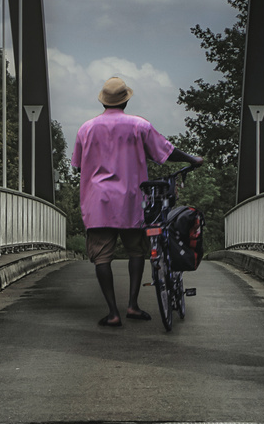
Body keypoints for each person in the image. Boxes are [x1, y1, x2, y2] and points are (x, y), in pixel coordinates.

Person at [71, 76, 202, 327]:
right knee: (136, 251)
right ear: (126, 100)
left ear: (103, 101)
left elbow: (78, 166)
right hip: (132, 200)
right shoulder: (139, 125)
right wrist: (191, 159)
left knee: (101, 257)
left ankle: (113, 313)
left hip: (98, 201)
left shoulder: (85, 128)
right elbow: (166, 151)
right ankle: (132, 305)